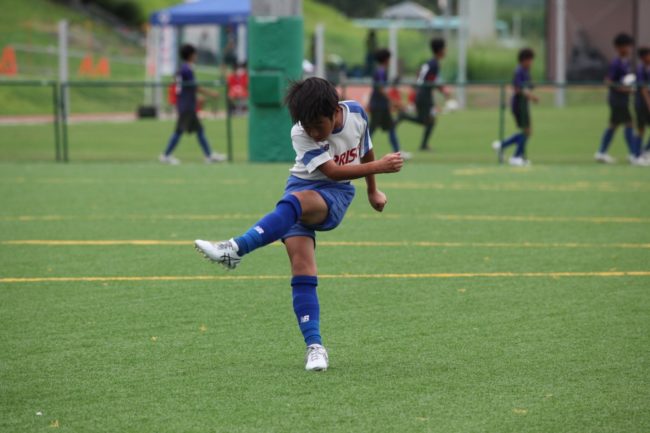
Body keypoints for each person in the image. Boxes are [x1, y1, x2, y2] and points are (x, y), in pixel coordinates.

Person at [194, 77, 404, 371]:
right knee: (302, 267)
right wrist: (380, 166)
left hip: (335, 194)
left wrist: (372, 190)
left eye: (318, 125)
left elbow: (364, 149)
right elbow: (332, 170)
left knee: (296, 203)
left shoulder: (356, 113)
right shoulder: (300, 131)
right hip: (300, 190)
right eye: (308, 127)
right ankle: (315, 348)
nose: (313, 132)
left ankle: (235, 249)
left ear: (335, 111)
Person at [160, 44, 226, 165]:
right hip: (186, 106)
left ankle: (209, 155)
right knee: (179, 131)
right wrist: (211, 93)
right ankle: (166, 155)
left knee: (199, 130)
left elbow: (184, 86)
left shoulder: (183, 68)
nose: (196, 56)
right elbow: (195, 87)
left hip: (186, 104)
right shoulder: (187, 69)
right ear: (191, 55)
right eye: (195, 54)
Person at [594, 33, 646, 166]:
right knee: (629, 124)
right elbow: (609, 81)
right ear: (618, 47)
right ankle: (634, 154)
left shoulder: (626, 62)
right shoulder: (616, 63)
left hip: (622, 99)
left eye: (629, 46)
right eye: (626, 46)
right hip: (617, 100)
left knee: (613, 125)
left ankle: (601, 152)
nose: (628, 49)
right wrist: (625, 89)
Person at [399, 38, 450, 151]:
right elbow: (431, 82)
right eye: (445, 48)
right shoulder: (434, 64)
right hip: (424, 95)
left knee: (431, 120)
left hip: (422, 93)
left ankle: (424, 145)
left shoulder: (429, 62)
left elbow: (420, 75)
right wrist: (443, 90)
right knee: (424, 120)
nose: (446, 51)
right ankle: (404, 116)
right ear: (440, 50)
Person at [491, 48, 538, 167]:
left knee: (526, 132)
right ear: (524, 60)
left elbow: (528, 86)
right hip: (518, 105)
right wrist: (531, 97)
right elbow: (518, 88)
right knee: (526, 131)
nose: (531, 63)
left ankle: (502, 146)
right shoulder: (519, 71)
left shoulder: (525, 71)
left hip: (523, 105)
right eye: (530, 60)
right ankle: (516, 157)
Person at [368, 49, 411, 159]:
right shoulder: (381, 71)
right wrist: (392, 100)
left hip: (381, 105)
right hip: (378, 106)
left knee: (390, 128)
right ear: (386, 59)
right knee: (371, 130)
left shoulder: (380, 70)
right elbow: (381, 89)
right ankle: (361, 152)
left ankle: (397, 152)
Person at [635, 47, 650, 159]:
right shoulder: (641, 70)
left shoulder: (647, 69)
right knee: (641, 129)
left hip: (645, 104)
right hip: (641, 104)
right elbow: (643, 89)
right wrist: (649, 104)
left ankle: (645, 151)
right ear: (643, 57)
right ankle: (637, 155)